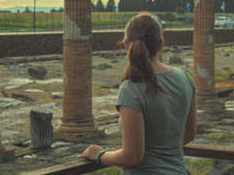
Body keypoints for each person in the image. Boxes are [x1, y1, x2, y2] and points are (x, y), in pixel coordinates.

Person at [79, 12, 196, 174]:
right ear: (161, 44)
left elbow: (132, 157)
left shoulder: (131, 88)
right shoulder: (184, 78)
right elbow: (189, 134)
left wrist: (99, 154)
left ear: (126, 45)